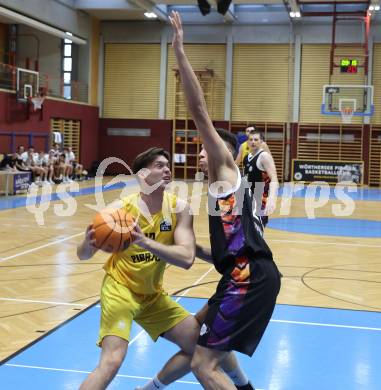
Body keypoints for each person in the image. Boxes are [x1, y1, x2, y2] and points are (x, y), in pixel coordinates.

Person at [169, 11, 281, 389]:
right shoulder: (226, 194)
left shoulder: (225, 172)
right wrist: (181, 247)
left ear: (225, 152)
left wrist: (180, 52)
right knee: (206, 347)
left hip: (248, 277)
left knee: (203, 364)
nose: (201, 154)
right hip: (244, 274)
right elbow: (226, 249)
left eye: (207, 148)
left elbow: (198, 111)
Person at [77, 147, 200, 390]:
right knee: (112, 361)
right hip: (120, 290)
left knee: (202, 348)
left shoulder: (179, 208)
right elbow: (82, 255)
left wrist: (143, 241)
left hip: (152, 295)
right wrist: (88, 243)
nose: (167, 169)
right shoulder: (119, 211)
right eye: (159, 165)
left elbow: (187, 258)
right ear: (142, 175)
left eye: (167, 165)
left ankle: (150, 388)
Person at [243, 129, 278, 227]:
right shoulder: (246, 157)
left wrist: (271, 198)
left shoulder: (264, 156)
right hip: (247, 199)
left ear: (261, 141)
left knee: (257, 231)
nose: (253, 142)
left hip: (260, 200)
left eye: (256, 139)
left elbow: (274, 178)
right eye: (250, 140)